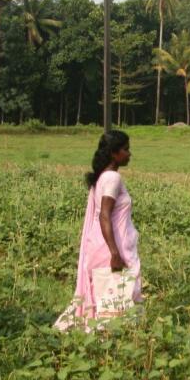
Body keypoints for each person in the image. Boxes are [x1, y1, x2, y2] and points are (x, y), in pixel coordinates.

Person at [54, 130, 142, 331]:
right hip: (108, 248)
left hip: (100, 245)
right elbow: (105, 215)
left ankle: (94, 336)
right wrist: (114, 253)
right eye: (126, 150)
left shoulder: (103, 177)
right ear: (114, 153)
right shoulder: (112, 178)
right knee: (113, 296)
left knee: (103, 294)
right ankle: (106, 338)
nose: (129, 154)